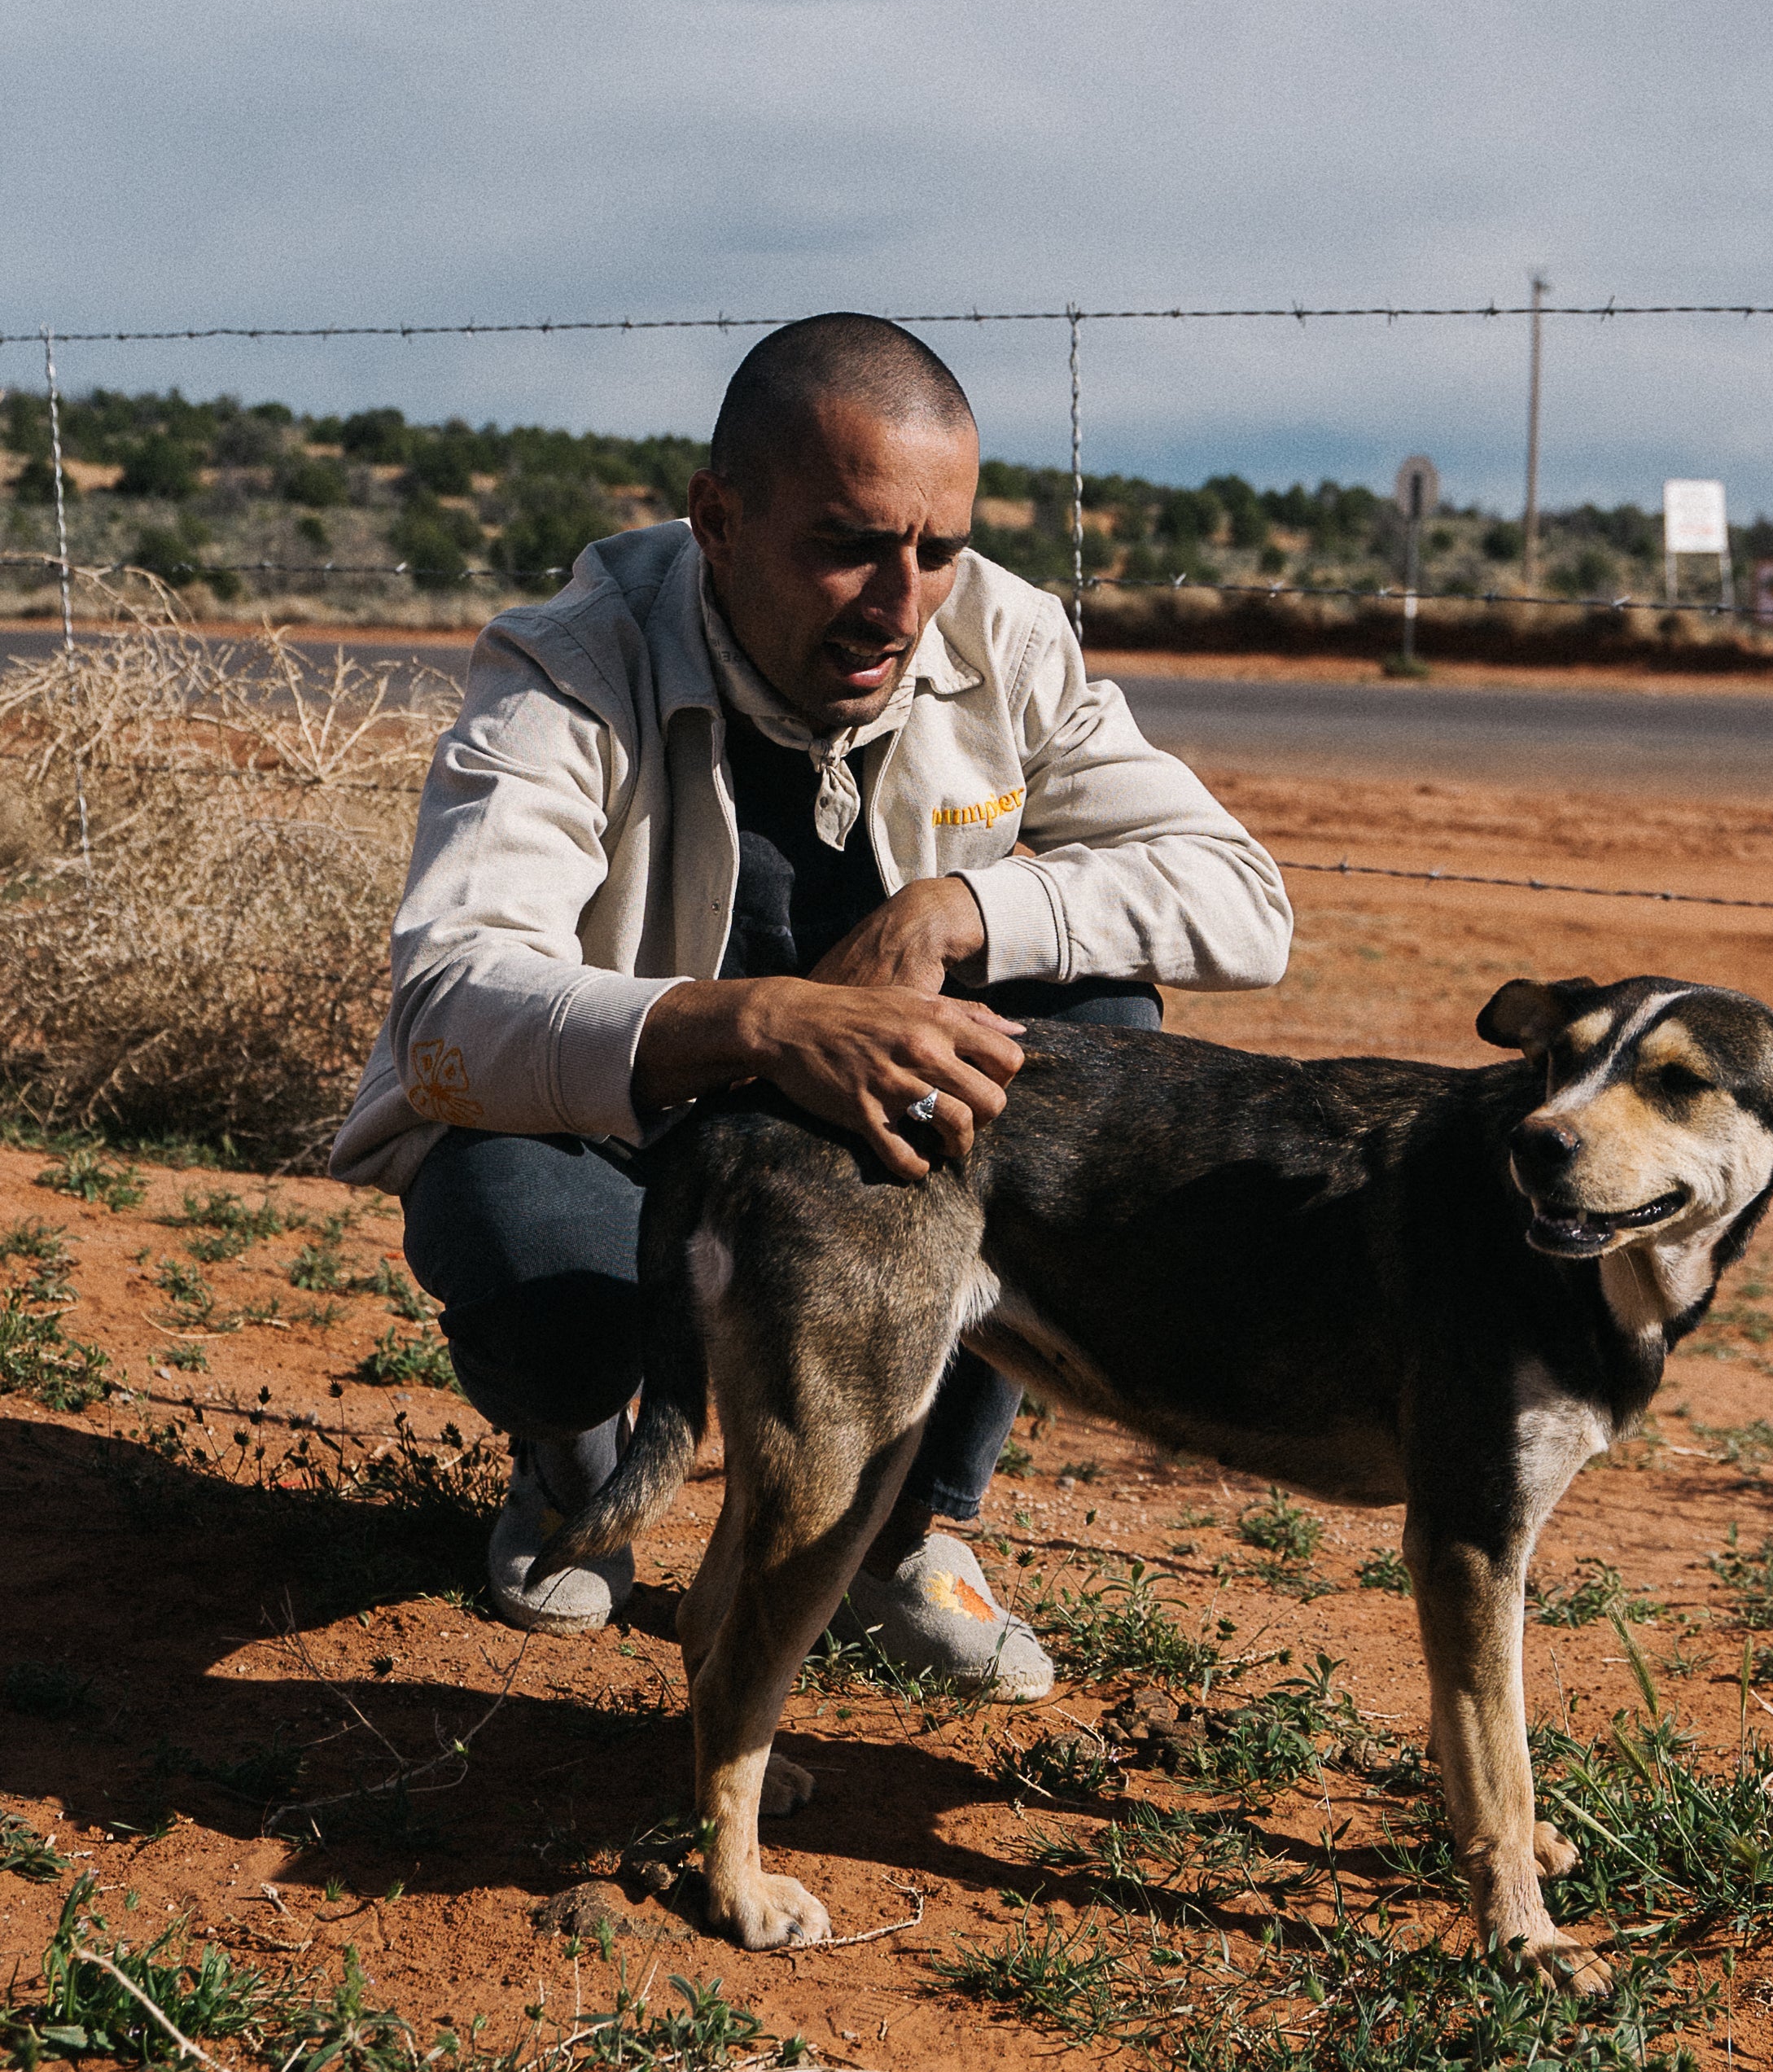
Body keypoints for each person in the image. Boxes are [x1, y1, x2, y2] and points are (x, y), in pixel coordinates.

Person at [330, 315, 1292, 1695]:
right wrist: (761, 1021)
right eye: (848, 543)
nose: (902, 606)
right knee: (510, 1227)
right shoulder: (572, 664)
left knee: (1101, 1017)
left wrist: (963, 910)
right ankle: (579, 1466)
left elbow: (1243, 897)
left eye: (939, 548)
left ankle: (903, 1534)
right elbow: (452, 1000)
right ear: (716, 520)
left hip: (862, 1163)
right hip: (634, 1149)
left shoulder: (1003, 638)